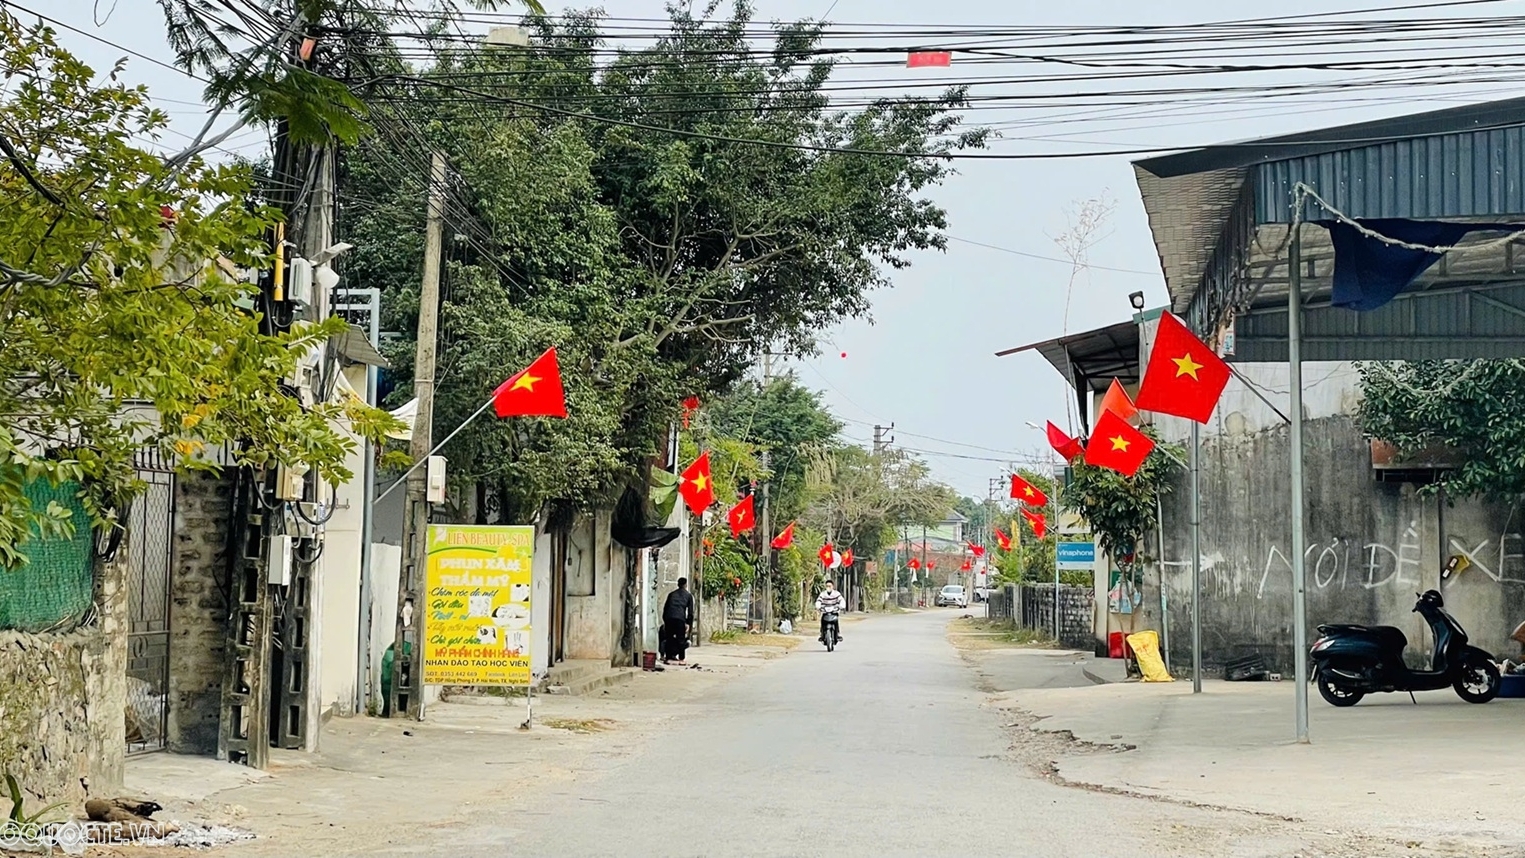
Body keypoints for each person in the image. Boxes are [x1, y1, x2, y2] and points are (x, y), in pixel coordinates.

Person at [661, 577, 695, 665]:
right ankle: (681, 659)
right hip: (680, 619)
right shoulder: (688, 596)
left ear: (678, 584)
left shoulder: (671, 594)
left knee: (669, 638)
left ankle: (668, 657)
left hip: (669, 617)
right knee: (681, 639)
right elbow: (690, 612)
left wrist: (665, 620)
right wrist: (688, 624)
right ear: (686, 585)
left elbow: (665, 608)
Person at [816, 580, 844, 644]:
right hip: (825, 612)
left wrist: (841, 606)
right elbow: (818, 601)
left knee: (836, 621)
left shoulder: (837, 594)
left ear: (832, 586)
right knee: (822, 620)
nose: (828, 587)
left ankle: (838, 634)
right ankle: (822, 634)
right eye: (827, 586)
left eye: (829, 586)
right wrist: (818, 606)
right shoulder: (823, 594)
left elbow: (841, 600)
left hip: (834, 612)